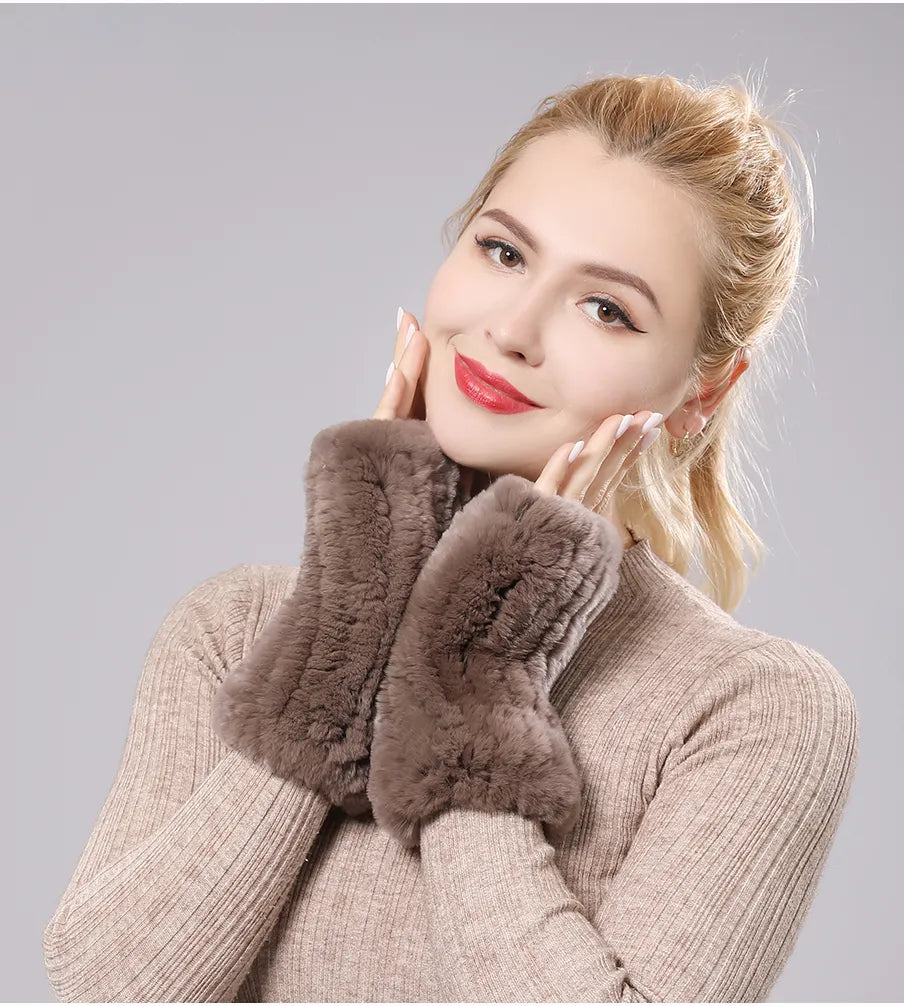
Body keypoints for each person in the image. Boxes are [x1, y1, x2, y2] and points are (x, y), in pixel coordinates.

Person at [42, 72, 859, 1003]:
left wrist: (481, 674)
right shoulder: (236, 630)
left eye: (607, 309)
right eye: (504, 253)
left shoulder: (748, 707)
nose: (510, 329)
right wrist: (341, 637)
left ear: (701, 393)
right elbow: (104, 990)